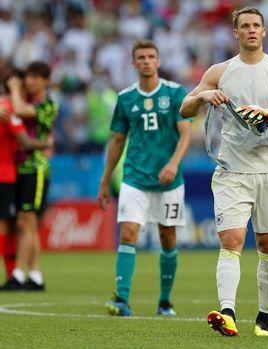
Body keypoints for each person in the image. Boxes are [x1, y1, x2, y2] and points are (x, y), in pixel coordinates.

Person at [180, 7, 268, 337]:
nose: (251, 30)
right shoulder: (220, 71)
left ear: (264, 31)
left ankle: (264, 316)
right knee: (231, 241)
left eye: (256, 25)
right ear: (236, 33)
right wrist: (203, 95)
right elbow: (184, 108)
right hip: (231, 170)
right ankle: (227, 313)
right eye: (245, 26)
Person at [98, 39, 191, 317]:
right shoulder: (126, 98)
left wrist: (173, 164)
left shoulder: (175, 93)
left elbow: (185, 133)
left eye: (151, 56)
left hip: (168, 180)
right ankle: (122, 299)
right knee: (128, 233)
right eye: (141, 57)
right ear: (134, 63)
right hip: (135, 177)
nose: (147, 61)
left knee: (167, 237)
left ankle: (165, 301)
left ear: (159, 61)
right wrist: (105, 179)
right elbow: (117, 141)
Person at [0, 70, 50, 293]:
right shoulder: (9, 111)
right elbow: (25, 141)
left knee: (9, 225)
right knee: (1, 224)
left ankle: (11, 275)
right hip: (3, 175)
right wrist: (45, 142)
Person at [0, 61, 58, 291]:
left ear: (45, 80)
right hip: (20, 168)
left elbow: (19, 111)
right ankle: (36, 275)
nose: (29, 81)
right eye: (27, 77)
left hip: (37, 167)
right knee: (26, 224)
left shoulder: (49, 104)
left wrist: (13, 90)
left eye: (34, 77)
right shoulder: (24, 99)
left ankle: (19, 274)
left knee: (27, 221)